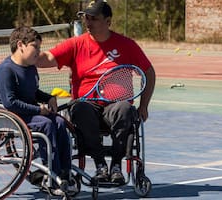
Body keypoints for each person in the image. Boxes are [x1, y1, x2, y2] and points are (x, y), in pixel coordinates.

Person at [37, 0, 155, 185]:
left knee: (124, 109)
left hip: (116, 106)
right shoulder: (76, 45)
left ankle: (116, 166)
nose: (88, 23)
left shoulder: (127, 45)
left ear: (108, 21)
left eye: (94, 18)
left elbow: (148, 72)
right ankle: (100, 166)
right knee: (80, 109)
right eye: (86, 18)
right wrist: (25, 56)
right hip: (87, 106)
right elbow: (49, 57)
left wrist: (144, 105)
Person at [0, 26, 76, 193]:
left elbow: (33, 92)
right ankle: (51, 175)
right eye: (35, 47)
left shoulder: (30, 68)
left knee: (59, 122)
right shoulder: (5, 70)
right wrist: (38, 109)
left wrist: (48, 98)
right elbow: (10, 103)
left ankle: (65, 173)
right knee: (46, 124)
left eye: (40, 47)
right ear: (20, 45)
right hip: (4, 116)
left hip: (24, 114)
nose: (39, 52)